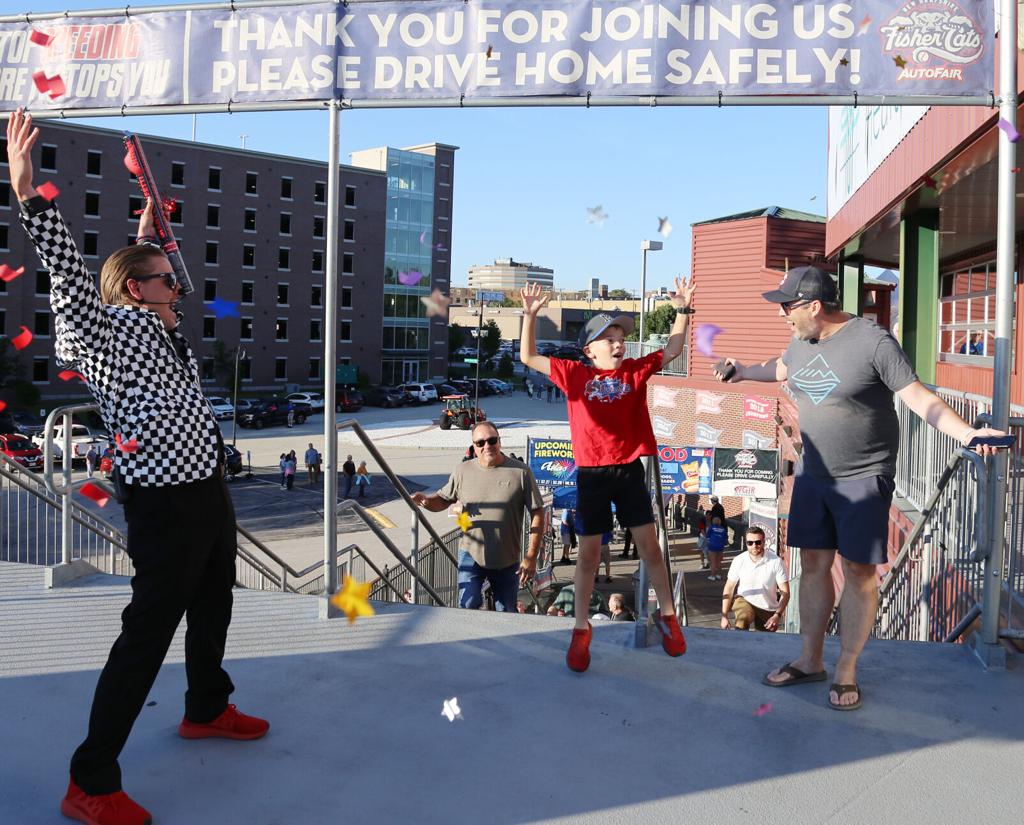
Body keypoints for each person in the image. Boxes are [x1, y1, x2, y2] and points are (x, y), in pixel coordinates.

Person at [7, 109, 268, 825]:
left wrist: (149, 227)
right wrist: (29, 195)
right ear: (134, 291)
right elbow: (70, 274)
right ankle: (90, 778)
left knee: (216, 599)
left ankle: (206, 706)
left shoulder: (157, 323)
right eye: (164, 279)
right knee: (148, 632)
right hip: (164, 502)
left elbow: (146, 266)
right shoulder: (108, 331)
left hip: (206, 488)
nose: (178, 287)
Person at [714, 264, 1005, 710]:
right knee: (812, 563)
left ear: (815, 306)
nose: (782, 315)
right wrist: (742, 371)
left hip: (863, 477)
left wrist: (968, 435)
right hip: (814, 474)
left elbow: (917, 396)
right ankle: (811, 660)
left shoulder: (873, 342)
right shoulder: (802, 338)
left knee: (857, 572)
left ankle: (846, 667)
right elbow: (782, 366)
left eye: (787, 306)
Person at [520, 278, 695, 672]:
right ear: (589, 349)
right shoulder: (573, 374)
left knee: (651, 548)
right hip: (592, 475)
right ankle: (581, 629)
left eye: (620, 337)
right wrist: (529, 315)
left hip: (629, 470)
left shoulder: (634, 372)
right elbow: (529, 357)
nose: (618, 343)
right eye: (608, 337)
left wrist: (683, 310)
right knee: (589, 555)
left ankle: (668, 616)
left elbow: (673, 349)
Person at [411, 422, 545, 612]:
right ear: (473, 447)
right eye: (480, 443)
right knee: (467, 605)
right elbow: (442, 499)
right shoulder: (462, 471)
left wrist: (531, 555)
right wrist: (425, 501)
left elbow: (538, 511)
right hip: (470, 553)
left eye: (492, 440)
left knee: (506, 612)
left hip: (506, 559)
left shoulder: (520, 472)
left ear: (500, 442)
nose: (487, 446)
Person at [721, 527, 790, 632]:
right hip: (745, 600)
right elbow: (729, 588)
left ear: (763, 542)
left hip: (768, 607)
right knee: (742, 619)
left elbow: (785, 592)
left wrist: (777, 615)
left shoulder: (776, 562)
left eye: (758, 542)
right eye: (750, 543)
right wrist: (724, 615)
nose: (754, 546)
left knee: (765, 641)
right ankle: (740, 645)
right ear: (746, 543)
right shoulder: (739, 560)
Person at [705, 516, 728, 581]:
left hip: (712, 546)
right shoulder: (723, 529)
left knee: (713, 562)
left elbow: (707, 536)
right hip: (720, 546)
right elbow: (725, 538)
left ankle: (713, 576)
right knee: (719, 562)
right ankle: (719, 575)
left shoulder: (711, 528)